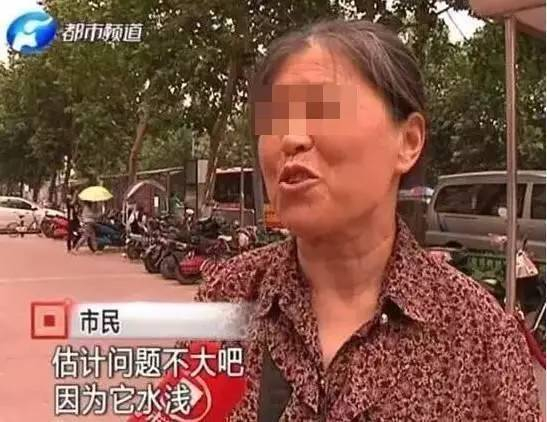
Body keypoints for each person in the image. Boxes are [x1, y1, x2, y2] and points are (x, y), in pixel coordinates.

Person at [194, 20, 541, 420]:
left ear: (408, 141)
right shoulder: (227, 298)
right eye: (275, 121)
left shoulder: (480, 335)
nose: (291, 139)